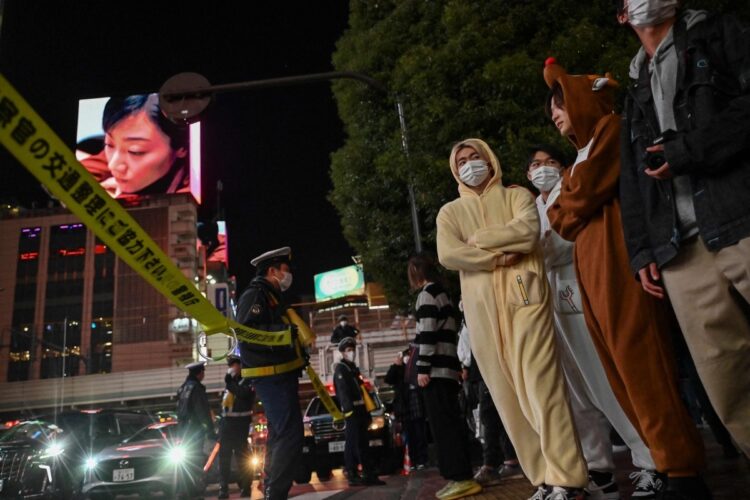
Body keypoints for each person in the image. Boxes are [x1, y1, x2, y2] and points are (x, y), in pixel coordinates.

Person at [542, 59, 708, 499]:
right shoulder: (581, 153)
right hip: (592, 270)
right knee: (621, 374)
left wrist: (569, 199)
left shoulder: (611, 129)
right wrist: (569, 200)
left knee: (644, 365)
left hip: (619, 262)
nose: (556, 114)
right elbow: (563, 214)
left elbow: (573, 203)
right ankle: (667, 461)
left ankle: (682, 469)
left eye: (560, 104)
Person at [617, 0, 750, 463]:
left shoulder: (717, 34)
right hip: (680, 251)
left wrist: (690, 150)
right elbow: (631, 178)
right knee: (726, 384)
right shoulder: (632, 86)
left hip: (740, 218)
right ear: (623, 16)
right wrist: (641, 250)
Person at [436, 138, 588, 500]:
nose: (471, 164)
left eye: (476, 157)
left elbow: (526, 233)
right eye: (463, 161)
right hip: (482, 314)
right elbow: (447, 254)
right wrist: (494, 258)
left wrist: (479, 239)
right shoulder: (449, 212)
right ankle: (544, 480)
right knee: (507, 400)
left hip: (526, 300)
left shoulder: (516, 196)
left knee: (543, 389)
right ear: (455, 170)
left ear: (491, 160)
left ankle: (568, 478)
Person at [528, 144, 658, 499]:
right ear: (527, 174)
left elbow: (569, 238)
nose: (543, 169)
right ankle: (598, 468)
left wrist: (537, 250)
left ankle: (648, 460)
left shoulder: (570, 190)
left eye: (550, 162)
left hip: (578, 285)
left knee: (603, 378)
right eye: (536, 165)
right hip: (549, 301)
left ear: (563, 165)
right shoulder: (529, 207)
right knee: (575, 391)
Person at [408, 253, 482, 500]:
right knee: (453, 424)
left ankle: (459, 478)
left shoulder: (426, 295)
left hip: (436, 372)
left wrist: (422, 370)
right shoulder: (444, 294)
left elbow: (427, 336)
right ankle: (464, 475)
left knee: (443, 428)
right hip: (449, 370)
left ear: (416, 273)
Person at [235, 247, 306, 500]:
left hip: (280, 374)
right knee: (289, 435)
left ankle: (273, 492)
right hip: (271, 375)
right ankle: (276, 493)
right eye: (285, 270)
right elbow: (245, 332)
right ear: (272, 271)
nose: (289, 275)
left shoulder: (270, 296)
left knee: (281, 434)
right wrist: (285, 335)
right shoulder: (256, 294)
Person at [81, 93, 189, 199]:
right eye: (109, 144)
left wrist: (124, 196)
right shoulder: (120, 149)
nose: (112, 165)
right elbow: (74, 174)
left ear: (181, 148)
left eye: (135, 151)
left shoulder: (196, 182)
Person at [333, 337, 386, 487]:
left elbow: (362, 392)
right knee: (353, 444)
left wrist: (366, 412)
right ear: (342, 353)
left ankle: (367, 473)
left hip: (361, 412)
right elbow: (343, 393)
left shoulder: (352, 369)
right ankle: (353, 473)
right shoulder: (341, 369)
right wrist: (349, 412)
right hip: (353, 414)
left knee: (362, 444)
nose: (352, 353)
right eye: (349, 350)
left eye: (353, 349)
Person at [218, 355, 255, 499]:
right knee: (224, 459)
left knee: (243, 459)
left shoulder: (248, 380)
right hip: (227, 427)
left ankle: (246, 487)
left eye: (235, 364)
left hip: (240, 427)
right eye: (230, 364)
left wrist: (229, 384)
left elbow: (243, 394)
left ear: (241, 365)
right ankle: (223, 489)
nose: (232, 367)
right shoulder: (230, 383)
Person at [384, 349, 428, 470]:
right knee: (409, 435)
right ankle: (413, 460)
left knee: (420, 433)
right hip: (405, 406)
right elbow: (388, 379)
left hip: (417, 403)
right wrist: (395, 365)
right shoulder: (399, 369)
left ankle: (422, 460)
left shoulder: (418, 367)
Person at [175, 361, 214, 499]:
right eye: (203, 372)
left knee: (184, 462)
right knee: (195, 462)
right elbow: (202, 412)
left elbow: (179, 412)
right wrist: (210, 431)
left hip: (183, 432)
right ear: (200, 373)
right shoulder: (196, 388)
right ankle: (194, 493)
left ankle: (183, 491)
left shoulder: (183, 388)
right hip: (195, 432)